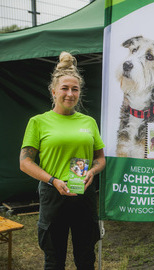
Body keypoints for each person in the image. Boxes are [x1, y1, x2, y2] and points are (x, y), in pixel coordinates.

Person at [19, 51, 106, 270]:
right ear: (53, 91)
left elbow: (100, 159)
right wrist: (52, 180)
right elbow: (25, 162)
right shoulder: (38, 122)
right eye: (65, 88)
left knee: (86, 258)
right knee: (54, 259)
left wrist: (92, 172)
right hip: (53, 193)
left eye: (74, 89)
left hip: (83, 192)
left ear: (80, 92)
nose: (70, 94)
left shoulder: (89, 122)